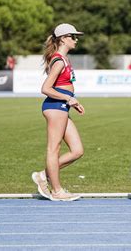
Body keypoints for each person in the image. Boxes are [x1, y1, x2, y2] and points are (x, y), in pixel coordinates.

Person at [31, 23, 85, 201]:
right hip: (55, 107)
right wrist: (68, 98)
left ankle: (43, 175)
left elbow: (62, 86)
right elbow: (45, 88)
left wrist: (71, 101)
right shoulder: (58, 60)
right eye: (73, 37)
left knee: (77, 150)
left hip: (62, 106)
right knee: (54, 149)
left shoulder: (64, 59)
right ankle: (57, 190)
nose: (76, 40)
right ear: (63, 38)